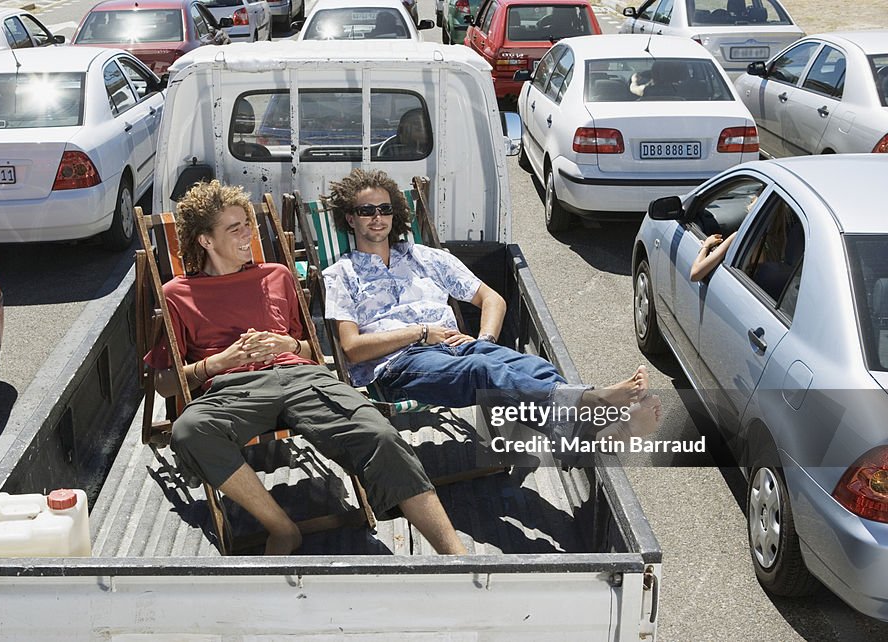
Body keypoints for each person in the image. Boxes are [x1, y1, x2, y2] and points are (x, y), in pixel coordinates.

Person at [145, 179, 466, 556]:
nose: (248, 234)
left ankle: (454, 556)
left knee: (379, 435)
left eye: (248, 224)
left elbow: (310, 351)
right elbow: (165, 384)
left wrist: (287, 344)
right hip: (233, 388)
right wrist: (219, 362)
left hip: (301, 377)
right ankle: (282, 528)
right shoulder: (177, 294)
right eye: (235, 229)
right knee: (189, 431)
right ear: (205, 241)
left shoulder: (277, 276)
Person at [322, 168, 660, 443]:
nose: (377, 218)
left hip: (458, 350)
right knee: (483, 373)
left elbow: (491, 298)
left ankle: (589, 435)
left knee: (534, 368)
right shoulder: (340, 275)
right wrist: (421, 333)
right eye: (367, 211)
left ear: (395, 214)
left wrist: (484, 341)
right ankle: (595, 400)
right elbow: (352, 349)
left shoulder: (425, 258)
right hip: (399, 366)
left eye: (384, 209)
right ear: (350, 219)